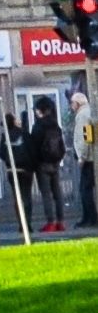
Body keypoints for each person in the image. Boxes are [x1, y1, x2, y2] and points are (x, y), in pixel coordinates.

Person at [28, 102, 68, 235]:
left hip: (42, 164)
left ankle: (50, 222)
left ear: (40, 111)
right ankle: (61, 221)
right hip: (55, 163)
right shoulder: (55, 125)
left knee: (46, 194)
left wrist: (35, 164)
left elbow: (33, 147)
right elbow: (61, 145)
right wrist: (58, 159)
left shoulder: (38, 126)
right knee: (58, 193)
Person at [73, 89, 96, 229]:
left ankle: (89, 218)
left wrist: (82, 155)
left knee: (84, 190)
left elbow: (85, 136)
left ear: (77, 103)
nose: (71, 105)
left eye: (72, 102)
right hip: (92, 156)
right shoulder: (90, 112)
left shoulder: (82, 115)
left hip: (88, 158)